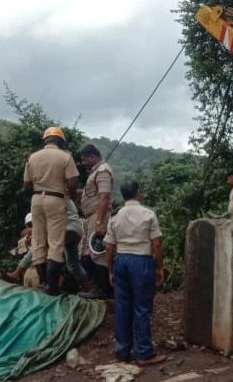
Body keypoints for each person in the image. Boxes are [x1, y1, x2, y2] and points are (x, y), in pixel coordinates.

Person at [104, 181, 167, 366]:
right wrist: (159, 267)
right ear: (138, 193)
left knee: (122, 307)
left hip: (121, 260)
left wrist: (110, 270)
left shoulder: (115, 216)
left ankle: (122, 351)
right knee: (141, 307)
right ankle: (144, 353)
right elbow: (156, 243)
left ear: (123, 195)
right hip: (141, 261)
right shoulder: (148, 214)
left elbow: (109, 246)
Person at [24, 126, 79, 295]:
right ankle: (52, 286)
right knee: (55, 242)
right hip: (56, 199)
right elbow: (72, 183)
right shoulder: (65, 157)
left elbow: (26, 184)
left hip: (36, 199)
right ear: (60, 141)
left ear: (45, 140)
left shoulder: (32, 158)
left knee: (38, 240)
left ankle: (42, 281)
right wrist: (71, 195)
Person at [78, 144, 115, 300]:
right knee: (94, 252)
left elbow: (104, 197)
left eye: (85, 160)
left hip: (99, 216)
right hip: (92, 216)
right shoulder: (95, 172)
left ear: (93, 156)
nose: (84, 163)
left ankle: (102, 288)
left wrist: (99, 221)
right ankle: (100, 287)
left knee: (99, 251)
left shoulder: (102, 171)